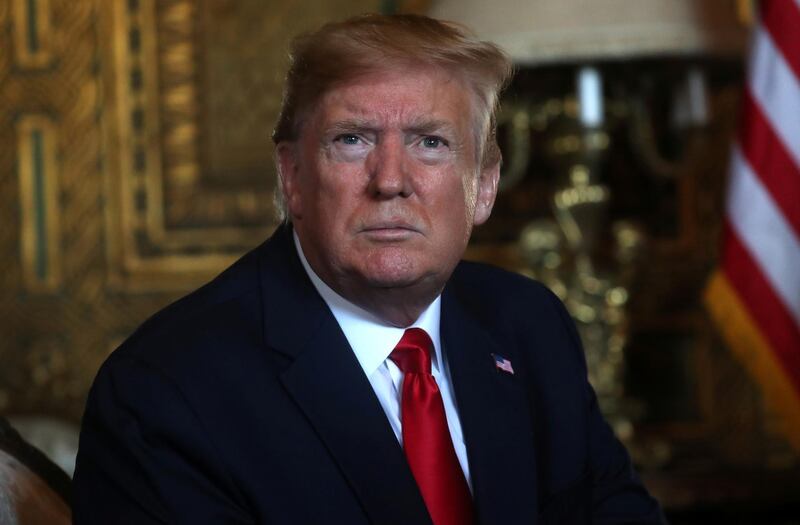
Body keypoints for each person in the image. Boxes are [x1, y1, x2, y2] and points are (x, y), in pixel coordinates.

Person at [72, 13, 666, 524]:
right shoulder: (163, 393)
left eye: (430, 142)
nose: (390, 181)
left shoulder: (529, 325)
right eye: (352, 139)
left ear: (484, 186)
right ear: (293, 177)